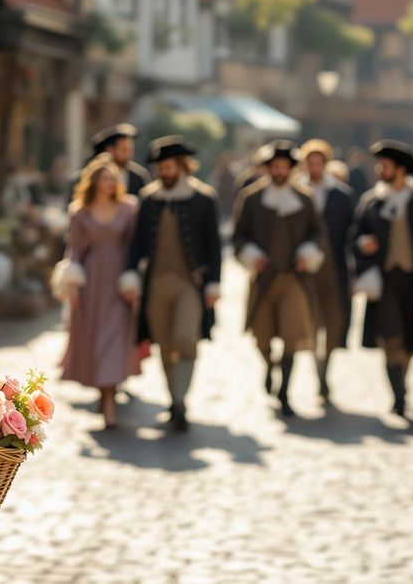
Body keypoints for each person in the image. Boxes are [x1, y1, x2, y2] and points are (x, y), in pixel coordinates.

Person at [120, 136, 222, 432]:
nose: (163, 172)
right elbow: (136, 245)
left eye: (168, 167)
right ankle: (175, 402)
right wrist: (129, 275)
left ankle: (181, 398)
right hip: (156, 286)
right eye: (160, 167)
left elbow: (214, 246)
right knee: (165, 345)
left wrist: (214, 283)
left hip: (189, 284)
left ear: (182, 166)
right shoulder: (149, 200)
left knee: (185, 339)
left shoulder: (203, 199)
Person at [350, 140, 413, 420]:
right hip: (384, 282)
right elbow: (355, 237)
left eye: (386, 166)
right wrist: (363, 243)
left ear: (401, 170)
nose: (381, 170)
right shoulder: (371, 202)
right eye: (380, 165)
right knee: (390, 338)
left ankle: (402, 382)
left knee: (410, 342)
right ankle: (399, 397)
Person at [233, 141, 323, 417]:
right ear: (268, 168)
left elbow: (317, 234)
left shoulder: (305, 199)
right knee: (262, 336)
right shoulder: (252, 198)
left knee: (292, 336)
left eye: (285, 166)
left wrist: (307, 253)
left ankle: (285, 391)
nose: (280, 171)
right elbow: (238, 235)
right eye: (275, 166)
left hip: (293, 279)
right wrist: (252, 256)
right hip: (263, 279)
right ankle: (269, 366)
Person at [53, 154, 141, 429]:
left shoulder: (129, 208)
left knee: (113, 339)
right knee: (95, 339)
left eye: (114, 179)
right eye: (105, 179)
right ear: (94, 182)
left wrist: (133, 280)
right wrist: (72, 283)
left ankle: (110, 401)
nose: (110, 184)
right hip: (91, 283)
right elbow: (75, 250)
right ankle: (105, 393)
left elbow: (135, 247)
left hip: (118, 283)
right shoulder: (79, 211)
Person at [302, 139, 355, 377]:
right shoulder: (296, 193)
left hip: (335, 267)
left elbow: (351, 233)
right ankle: (316, 367)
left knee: (334, 319)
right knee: (309, 319)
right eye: (310, 163)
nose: (314, 167)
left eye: (318, 162)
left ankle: (326, 366)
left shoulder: (341, 196)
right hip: (304, 268)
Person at [67, 123, 151, 202]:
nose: (128, 155)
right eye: (124, 150)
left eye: (131, 150)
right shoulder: (84, 177)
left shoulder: (139, 177)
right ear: (110, 150)